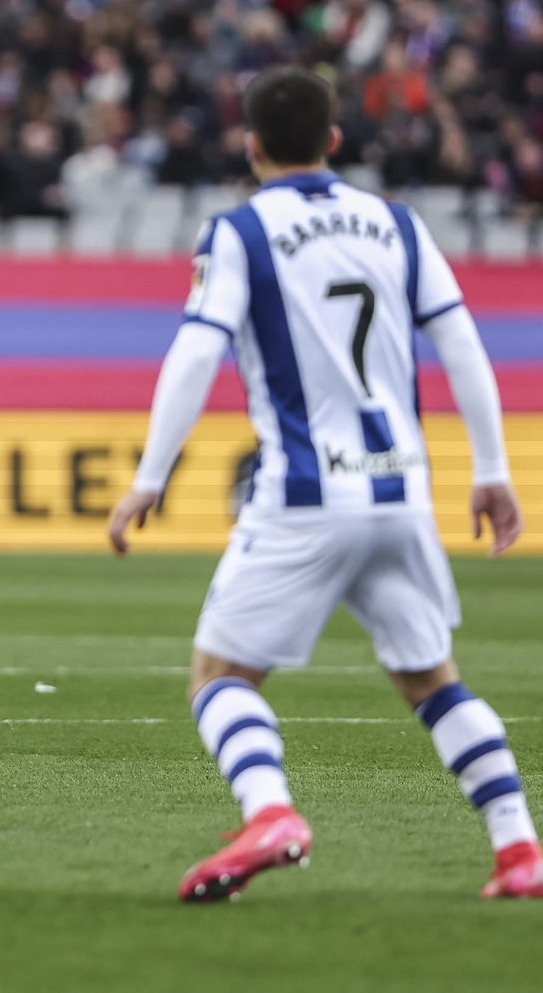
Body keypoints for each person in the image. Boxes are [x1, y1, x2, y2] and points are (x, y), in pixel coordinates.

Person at [108, 66, 539, 902]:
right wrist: (491, 470)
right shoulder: (399, 225)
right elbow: (463, 348)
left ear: (251, 144)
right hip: (401, 494)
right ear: (334, 139)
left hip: (306, 496)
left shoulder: (239, 231)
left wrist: (150, 476)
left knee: (220, 677)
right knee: (434, 682)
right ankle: (520, 849)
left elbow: (198, 349)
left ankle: (270, 812)